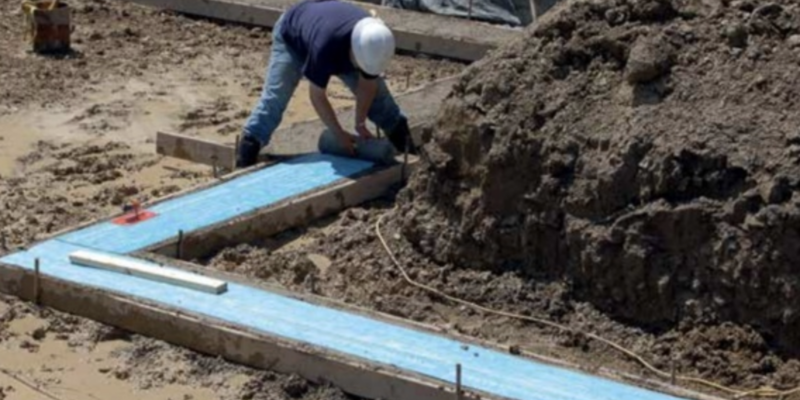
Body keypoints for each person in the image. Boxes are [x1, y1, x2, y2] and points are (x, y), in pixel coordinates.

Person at [237, 0, 414, 168]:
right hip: (292, 36)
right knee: (276, 98)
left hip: (328, 33)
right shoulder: (326, 45)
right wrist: (338, 134)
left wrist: (359, 123)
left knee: (381, 101)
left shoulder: (374, 41)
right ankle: (248, 150)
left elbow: (368, 86)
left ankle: (406, 146)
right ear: (353, 51)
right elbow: (317, 95)